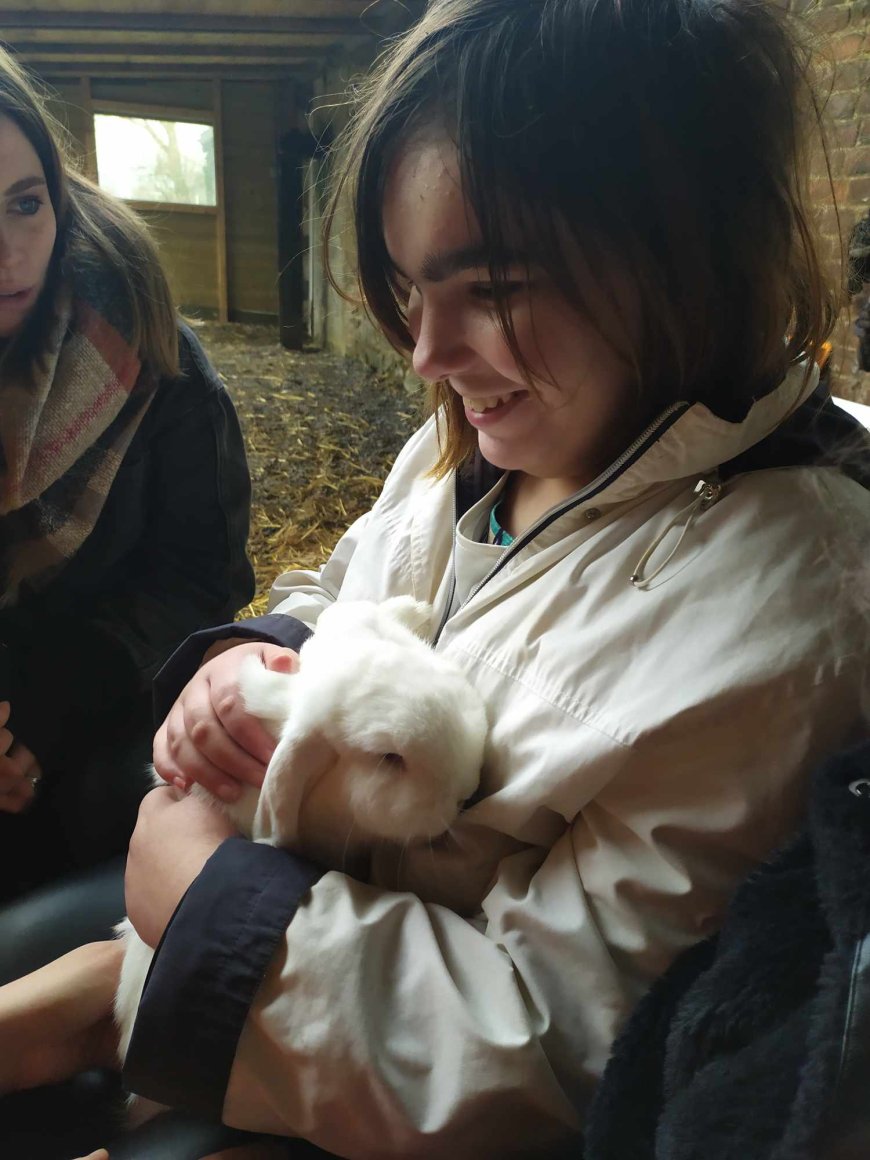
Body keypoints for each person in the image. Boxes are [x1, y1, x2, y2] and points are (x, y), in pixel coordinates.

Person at [1, 0, 869, 1156]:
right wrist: (253, 656)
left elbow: (560, 1050)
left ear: (683, 248)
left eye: (494, 287)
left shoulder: (781, 620)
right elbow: (343, 576)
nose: (426, 353)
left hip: (356, 1066)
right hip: (271, 941)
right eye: (413, 289)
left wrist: (212, 910)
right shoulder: (485, 441)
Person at [0, 46, 255, 907]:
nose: (7, 251)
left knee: (133, 805)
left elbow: (200, 575)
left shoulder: (151, 359)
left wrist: (41, 709)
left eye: (24, 205)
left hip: (96, 707)